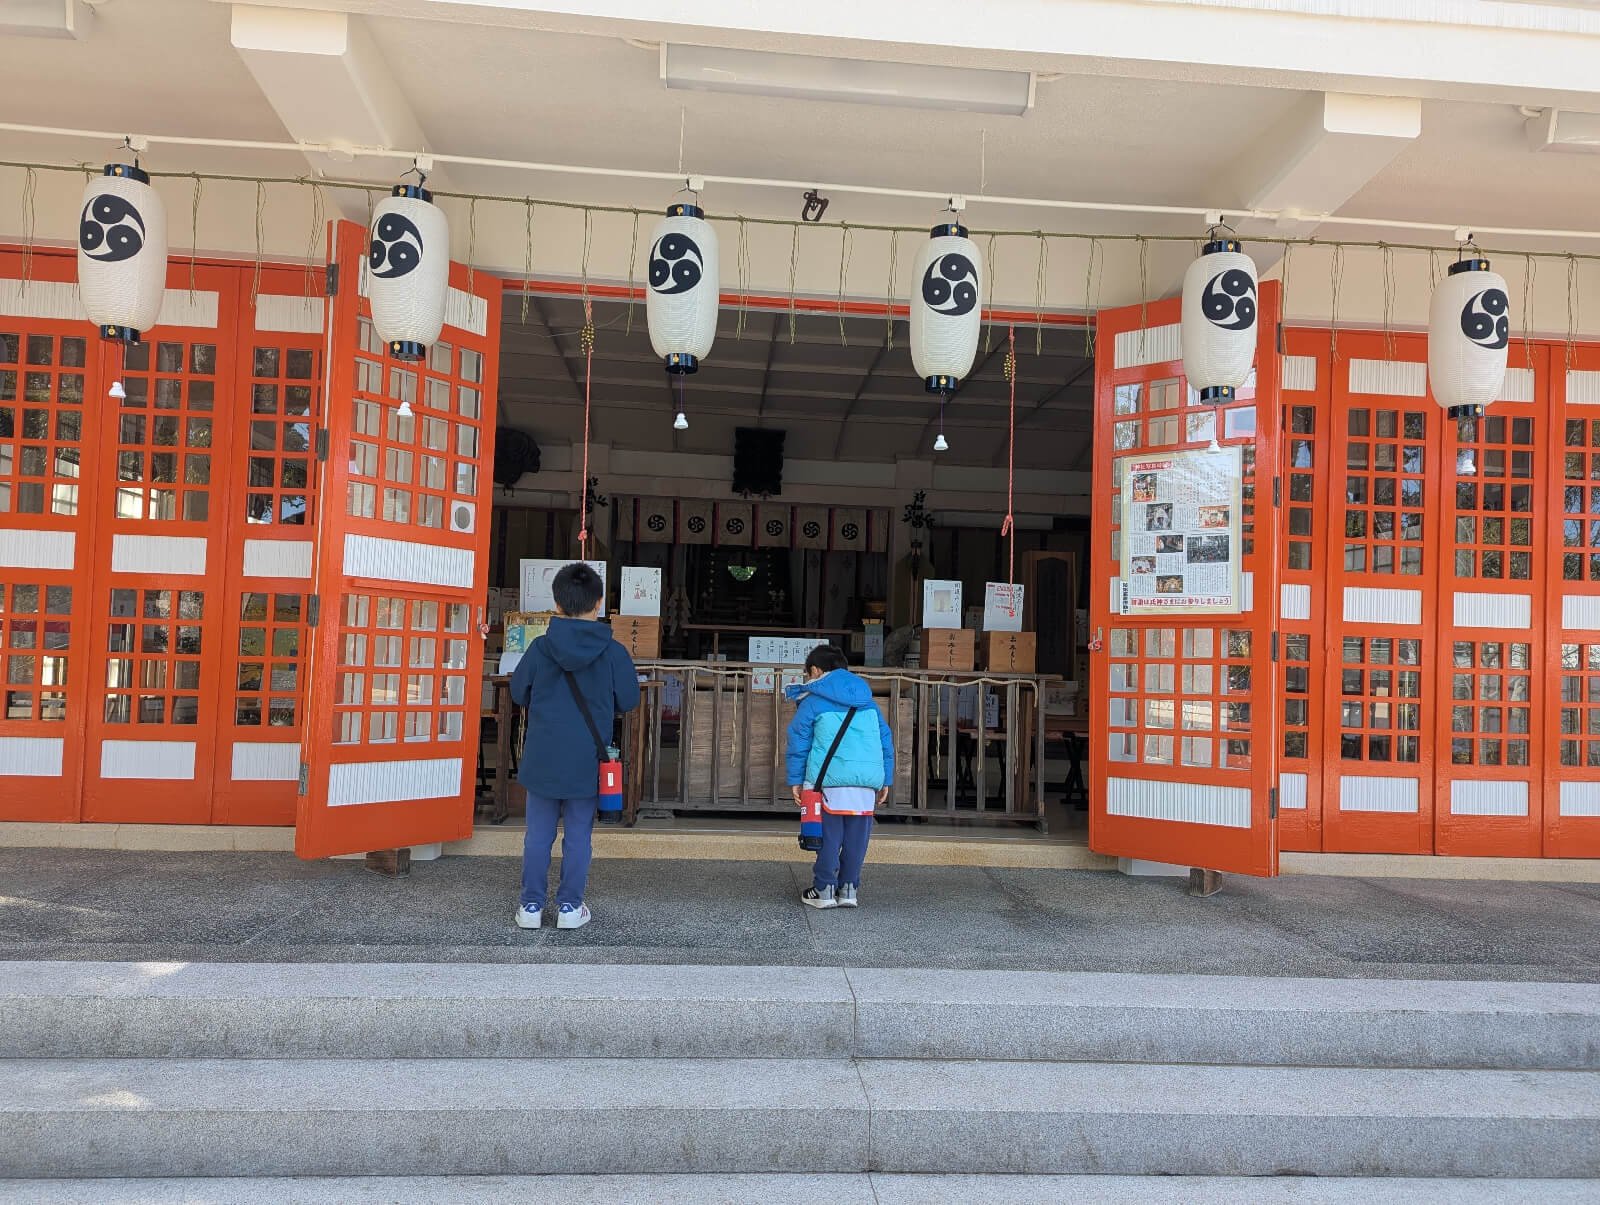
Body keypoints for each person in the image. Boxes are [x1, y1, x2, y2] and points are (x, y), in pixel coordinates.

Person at [510, 562, 639, 931]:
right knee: (579, 834)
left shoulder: (539, 647)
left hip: (543, 755)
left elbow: (520, 692)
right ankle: (569, 907)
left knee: (537, 835)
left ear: (557, 603)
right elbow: (628, 700)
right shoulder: (613, 652)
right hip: (587, 757)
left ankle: (531, 908)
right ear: (598, 603)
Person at [785, 644, 894, 910]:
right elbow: (885, 741)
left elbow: (799, 741)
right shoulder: (868, 702)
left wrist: (796, 780)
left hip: (828, 781)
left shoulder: (813, 701)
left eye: (808, 674)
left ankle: (823, 888)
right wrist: (885, 780)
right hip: (867, 782)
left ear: (815, 670)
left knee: (829, 837)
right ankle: (849, 889)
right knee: (857, 838)